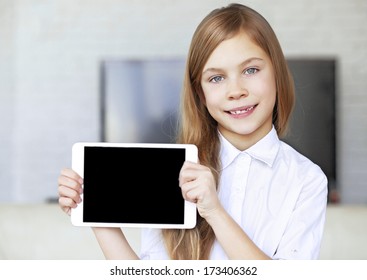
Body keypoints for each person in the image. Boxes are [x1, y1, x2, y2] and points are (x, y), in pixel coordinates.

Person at [58, 3, 328, 260]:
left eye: (251, 69)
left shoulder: (307, 180)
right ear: (201, 93)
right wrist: (93, 212)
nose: (236, 91)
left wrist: (213, 211)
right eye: (216, 78)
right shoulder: (174, 170)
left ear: (277, 73)